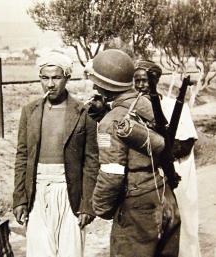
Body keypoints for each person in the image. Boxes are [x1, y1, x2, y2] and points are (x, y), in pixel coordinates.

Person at [89, 49, 181, 257]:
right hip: (164, 196)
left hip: (138, 208)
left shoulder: (110, 122)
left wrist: (101, 208)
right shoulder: (146, 104)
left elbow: (111, 174)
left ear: (103, 85)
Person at [13, 50, 99, 257]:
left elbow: (91, 161)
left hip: (70, 191)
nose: (50, 84)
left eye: (56, 77)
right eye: (45, 78)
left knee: (71, 251)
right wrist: (20, 199)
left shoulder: (83, 112)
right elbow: (22, 156)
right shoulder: (30, 111)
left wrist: (87, 204)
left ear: (67, 78)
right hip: (37, 191)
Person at [134, 60, 201, 257]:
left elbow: (187, 143)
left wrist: (163, 152)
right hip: (148, 177)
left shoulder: (173, 106)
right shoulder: (133, 108)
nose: (140, 86)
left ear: (155, 80)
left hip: (176, 172)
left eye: (145, 81)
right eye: (136, 81)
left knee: (184, 223)